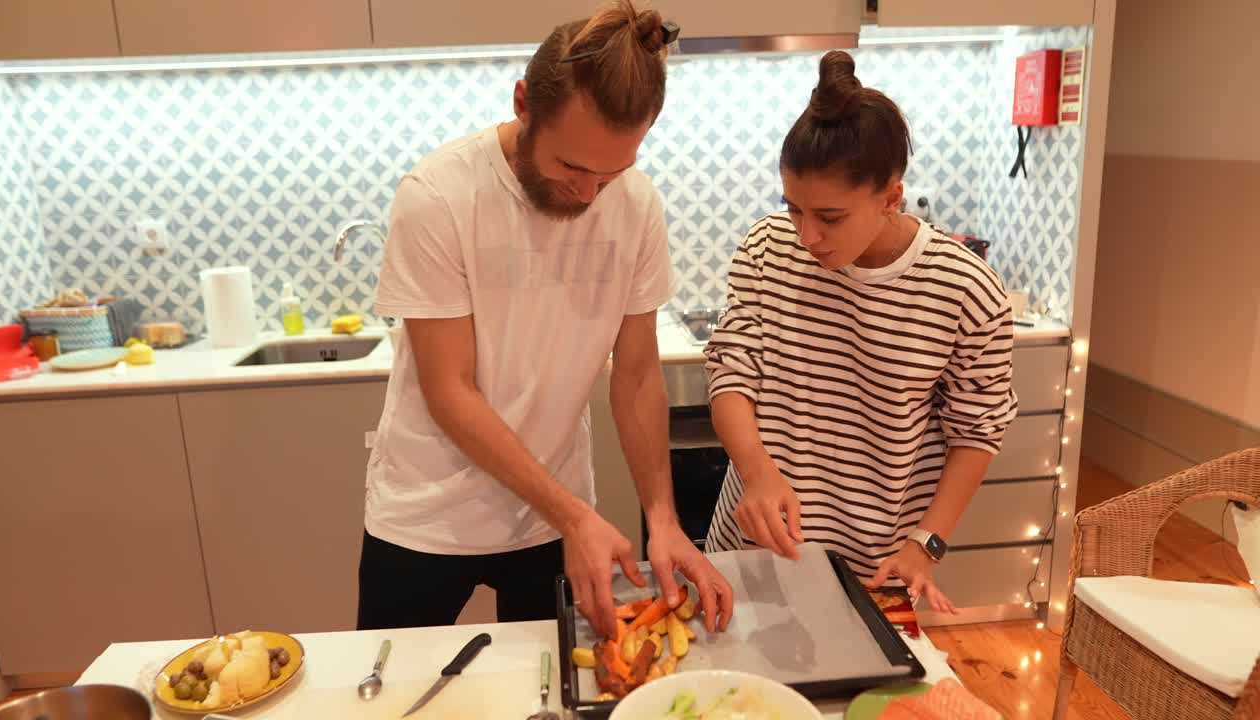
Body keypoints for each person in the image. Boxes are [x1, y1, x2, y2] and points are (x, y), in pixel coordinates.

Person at [360, 0, 733, 640]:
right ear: (522, 102)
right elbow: (450, 390)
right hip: (425, 516)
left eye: (613, 172)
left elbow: (638, 374)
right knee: (394, 694)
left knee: (553, 696)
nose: (590, 195)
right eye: (572, 168)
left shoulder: (636, 207)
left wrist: (662, 519)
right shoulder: (440, 196)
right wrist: (574, 514)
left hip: (554, 524)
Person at [703, 51, 1018, 611]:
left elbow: (978, 430)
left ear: (891, 197)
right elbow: (731, 372)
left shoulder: (964, 288)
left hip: (874, 565)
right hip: (752, 547)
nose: (806, 236)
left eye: (830, 217)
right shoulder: (765, 247)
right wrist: (757, 471)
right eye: (793, 209)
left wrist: (928, 543)